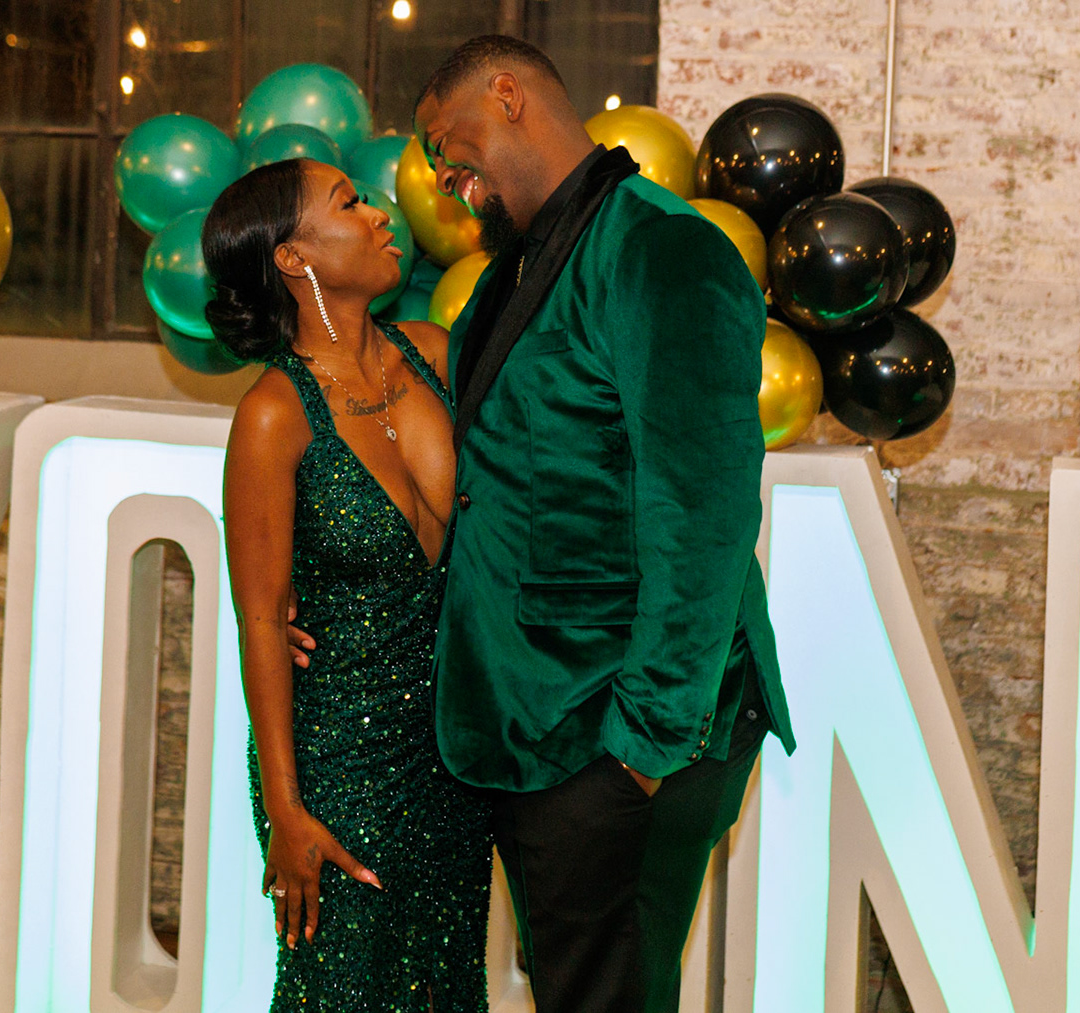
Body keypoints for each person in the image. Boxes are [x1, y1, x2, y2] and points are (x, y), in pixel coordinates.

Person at [414, 35, 797, 1012]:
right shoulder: (511, 270)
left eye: (445, 142)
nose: (443, 175)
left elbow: (703, 512)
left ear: (507, 96)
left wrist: (642, 747)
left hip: (616, 733)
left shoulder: (663, 248)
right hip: (541, 722)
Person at [205, 156, 492, 1010]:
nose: (379, 214)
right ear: (294, 258)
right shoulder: (274, 414)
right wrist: (286, 810)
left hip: (454, 751)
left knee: (444, 982)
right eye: (350, 203)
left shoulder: (434, 353)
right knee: (341, 988)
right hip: (342, 757)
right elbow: (262, 620)